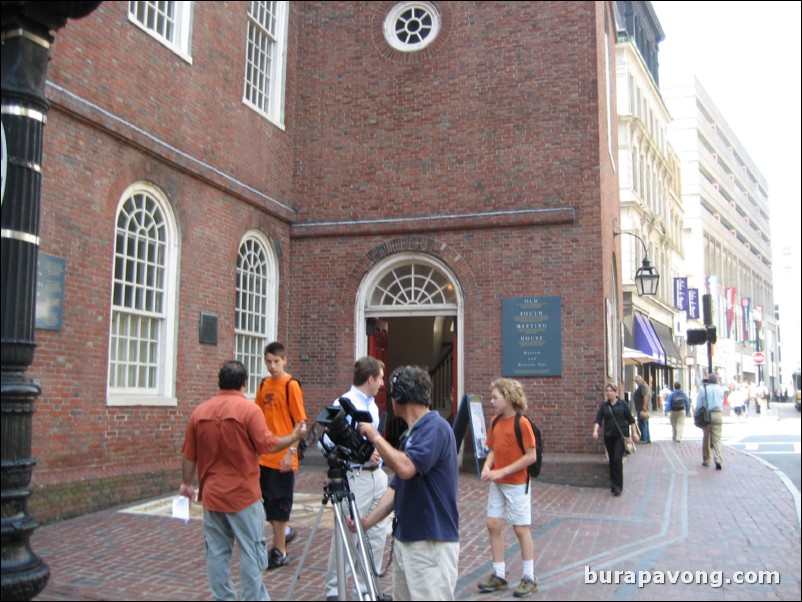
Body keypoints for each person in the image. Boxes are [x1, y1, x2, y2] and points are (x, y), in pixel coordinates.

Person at [179, 360, 306, 601]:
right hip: (244, 496)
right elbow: (268, 445)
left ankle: (223, 597)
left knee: (217, 553)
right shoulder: (249, 411)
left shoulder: (200, 412)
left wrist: (186, 484)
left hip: (212, 496)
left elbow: (189, 455)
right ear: (245, 383)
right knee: (251, 551)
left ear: (219, 382)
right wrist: (294, 437)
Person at [354, 366, 460, 601]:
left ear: (401, 396)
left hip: (429, 544)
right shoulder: (413, 432)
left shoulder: (434, 427)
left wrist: (375, 437)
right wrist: (367, 523)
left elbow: (405, 468)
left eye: (393, 393)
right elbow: (397, 486)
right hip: (408, 540)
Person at [323, 356, 390, 602]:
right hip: (355, 477)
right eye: (381, 378)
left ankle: (366, 590)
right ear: (370, 378)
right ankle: (334, 590)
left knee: (376, 533)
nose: (382, 384)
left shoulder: (371, 405)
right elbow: (329, 443)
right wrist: (355, 452)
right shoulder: (344, 403)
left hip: (377, 476)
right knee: (346, 536)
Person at [476, 378, 538, 598]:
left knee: (520, 528)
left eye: (495, 397)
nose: (491, 401)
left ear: (509, 398)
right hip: (498, 483)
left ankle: (529, 577)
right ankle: (499, 574)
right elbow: (493, 448)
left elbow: (531, 456)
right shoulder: (494, 422)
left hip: (517, 484)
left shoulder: (522, 424)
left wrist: (502, 471)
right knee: (493, 524)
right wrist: (487, 465)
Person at [255, 341, 308, 569]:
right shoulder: (264, 384)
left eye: (276, 361)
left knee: (280, 503)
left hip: (283, 457)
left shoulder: (291, 385)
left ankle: (280, 551)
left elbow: (300, 424)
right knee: (268, 503)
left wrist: (291, 452)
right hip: (264, 456)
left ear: (285, 360)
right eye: (268, 361)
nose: (272, 366)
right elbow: (257, 416)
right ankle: (281, 536)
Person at [593, 383, 639, 496]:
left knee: (617, 459)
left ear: (615, 392)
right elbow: (598, 420)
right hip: (609, 436)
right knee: (612, 460)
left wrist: (634, 433)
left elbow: (631, 420)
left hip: (620, 436)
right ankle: (613, 484)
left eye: (611, 391)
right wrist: (595, 430)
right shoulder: (604, 406)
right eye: (607, 391)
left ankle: (618, 486)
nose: (609, 393)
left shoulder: (622, 404)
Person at [697, 373, 725, 469]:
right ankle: (718, 459)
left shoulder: (703, 390)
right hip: (717, 414)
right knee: (717, 438)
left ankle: (706, 459)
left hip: (707, 415)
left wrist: (696, 413)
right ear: (717, 381)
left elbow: (699, 405)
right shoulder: (721, 390)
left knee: (706, 438)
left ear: (708, 381)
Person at [632, 375, 651, 443]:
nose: (636, 382)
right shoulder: (644, 385)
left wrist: (644, 405)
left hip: (641, 408)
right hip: (640, 407)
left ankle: (644, 438)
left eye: (636, 381)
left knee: (642, 422)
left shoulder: (642, 386)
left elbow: (645, 396)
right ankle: (647, 437)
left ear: (640, 380)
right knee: (644, 422)